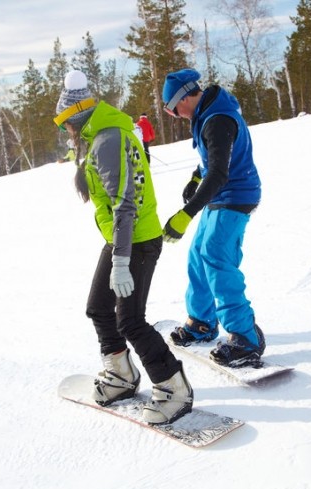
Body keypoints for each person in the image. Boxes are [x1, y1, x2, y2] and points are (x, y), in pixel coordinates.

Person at [53, 70, 193, 425]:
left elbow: (124, 202)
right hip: (120, 239)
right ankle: (122, 375)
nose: (64, 131)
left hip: (136, 240)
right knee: (98, 309)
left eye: (64, 123)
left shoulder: (108, 139)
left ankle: (174, 388)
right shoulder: (98, 136)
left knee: (130, 321)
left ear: (77, 116)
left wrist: (120, 260)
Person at [160, 68, 266, 368]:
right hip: (222, 194)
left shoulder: (217, 119)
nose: (175, 115)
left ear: (183, 99)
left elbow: (220, 172)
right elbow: (212, 160)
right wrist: (196, 178)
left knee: (216, 257)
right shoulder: (209, 113)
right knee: (198, 255)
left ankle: (246, 337)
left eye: (172, 109)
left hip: (236, 195)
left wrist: (186, 214)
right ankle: (203, 321)